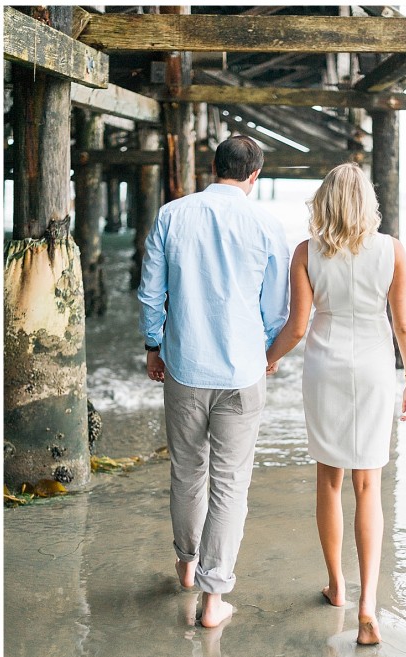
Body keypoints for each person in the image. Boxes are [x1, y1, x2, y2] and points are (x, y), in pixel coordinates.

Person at [137, 136, 290, 628]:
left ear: (213, 167)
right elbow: (276, 308)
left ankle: (186, 565)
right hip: (243, 373)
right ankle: (212, 599)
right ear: (254, 176)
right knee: (230, 485)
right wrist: (265, 351)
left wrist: (153, 345)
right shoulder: (267, 224)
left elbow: (150, 291)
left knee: (187, 471)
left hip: (184, 366)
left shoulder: (172, 215)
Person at [266, 163, 406, 645]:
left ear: (324, 201)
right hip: (374, 371)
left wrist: (265, 361)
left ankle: (338, 586)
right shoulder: (391, 250)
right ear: (367, 201)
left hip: (325, 370)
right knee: (369, 484)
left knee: (329, 481)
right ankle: (369, 602)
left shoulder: (306, 253)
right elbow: (404, 325)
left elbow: (296, 327)